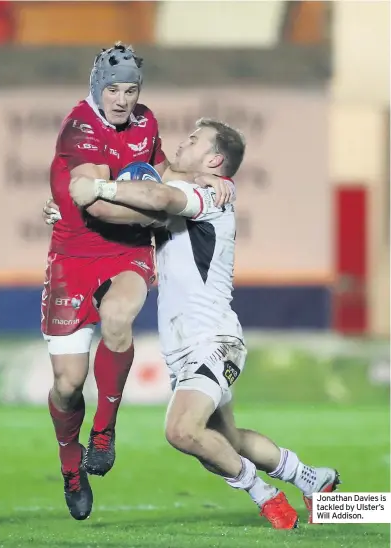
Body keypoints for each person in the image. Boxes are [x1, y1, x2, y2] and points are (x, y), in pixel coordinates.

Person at [68, 117, 340, 529]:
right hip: (188, 348)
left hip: (212, 341)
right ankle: (311, 478)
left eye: (194, 140)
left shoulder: (206, 196)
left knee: (181, 430)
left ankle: (265, 495)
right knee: (224, 443)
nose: (183, 142)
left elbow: (157, 196)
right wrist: (71, 209)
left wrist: (100, 187)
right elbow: (125, 210)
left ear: (214, 158)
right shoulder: (190, 187)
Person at [43, 42, 233, 521]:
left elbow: (163, 170)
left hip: (124, 251)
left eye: (131, 90)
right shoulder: (80, 127)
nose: (123, 100)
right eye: (114, 90)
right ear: (97, 89)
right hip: (73, 256)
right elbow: (99, 205)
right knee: (67, 385)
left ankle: (104, 431)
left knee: (120, 315)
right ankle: (71, 465)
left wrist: (206, 177)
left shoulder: (144, 122)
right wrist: (155, 216)